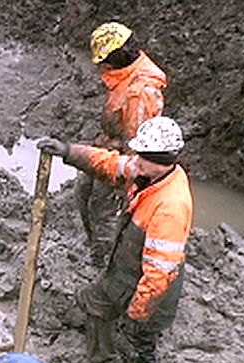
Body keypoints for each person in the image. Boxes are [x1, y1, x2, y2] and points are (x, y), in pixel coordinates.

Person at [39, 116, 192, 363]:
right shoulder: (150, 172)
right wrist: (68, 151)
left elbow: (158, 275)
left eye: (143, 158)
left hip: (151, 286)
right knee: (95, 304)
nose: (136, 161)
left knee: (141, 339)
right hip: (126, 268)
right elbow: (110, 164)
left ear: (161, 160)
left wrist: (137, 313)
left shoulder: (170, 207)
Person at [74, 22, 168, 266]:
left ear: (117, 57)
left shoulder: (141, 92)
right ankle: (96, 244)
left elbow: (138, 144)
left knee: (103, 206)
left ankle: (105, 259)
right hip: (108, 145)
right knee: (83, 190)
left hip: (124, 157)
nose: (103, 67)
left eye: (105, 61)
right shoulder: (125, 75)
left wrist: (126, 180)